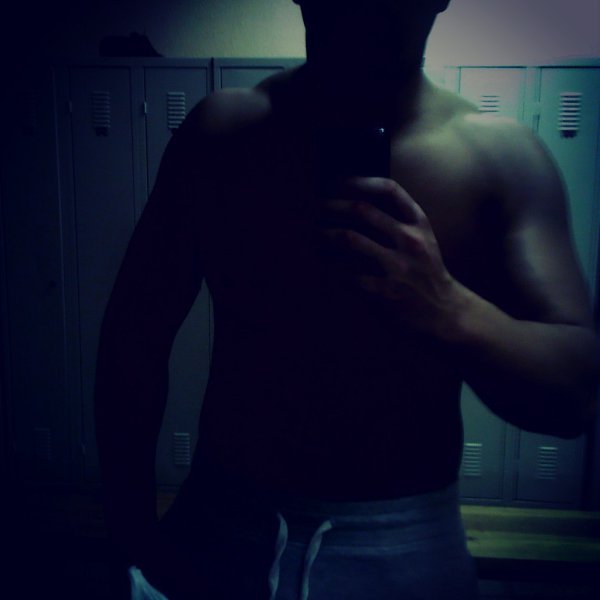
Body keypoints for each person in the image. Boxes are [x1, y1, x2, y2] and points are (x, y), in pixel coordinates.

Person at [94, 1, 599, 598]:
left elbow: (575, 394)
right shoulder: (220, 134)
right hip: (219, 529)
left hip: (408, 549)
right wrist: (131, 535)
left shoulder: (502, 161)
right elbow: (133, 341)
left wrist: (447, 307)